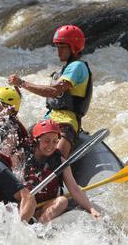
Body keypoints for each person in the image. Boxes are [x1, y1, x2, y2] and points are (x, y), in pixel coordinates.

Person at [8, 25, 93, 159]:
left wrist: (22, 83)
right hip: (48, 120)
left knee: (55, 161)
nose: (59, 51)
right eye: (57, 47)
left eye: (63, 47)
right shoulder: (63, 70)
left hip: (66, 123)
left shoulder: (77, 66)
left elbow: (54, 91)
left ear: (74, 48)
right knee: (18, 149)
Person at [23, 119, 100, 223]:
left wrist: (91, 209)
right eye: (47, 141)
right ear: (37, 140)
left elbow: (74, 189)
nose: (51, 146)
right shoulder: (22, 158)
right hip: (24, 205)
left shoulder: (60, 161)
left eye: (55, 141)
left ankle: (38, 228)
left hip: (46, 206)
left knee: (62, 201)